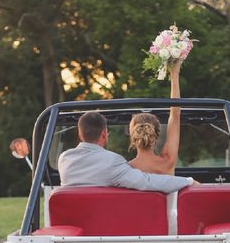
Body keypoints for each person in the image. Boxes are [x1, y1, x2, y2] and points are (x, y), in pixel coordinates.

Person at [58, 111, 194, 194]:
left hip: (74, 229)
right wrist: (188, 181)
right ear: (104, 134)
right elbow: (147, 182)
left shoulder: (64, 159)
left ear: (80, 134)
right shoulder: (113, 163)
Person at [129, 59, 181, 175]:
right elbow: (175, 115)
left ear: (133, 136)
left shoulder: (125, 170)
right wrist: (174, 75)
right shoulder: (167, 162)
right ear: (156, 134)